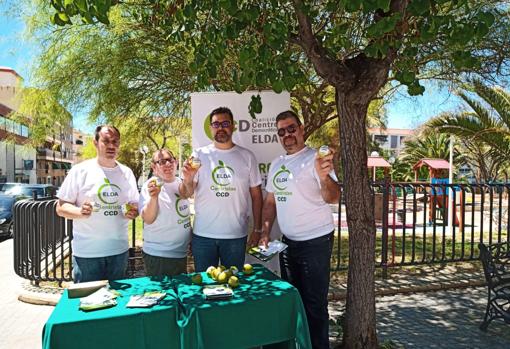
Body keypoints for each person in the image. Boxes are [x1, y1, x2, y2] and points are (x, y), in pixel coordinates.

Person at [257, 110, 340, 349]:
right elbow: (270, 203)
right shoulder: (277, 164)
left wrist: (325, 178)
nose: (287, 135)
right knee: (295, 302)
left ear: (301, 129)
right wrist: (264, 231)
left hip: (315, 242)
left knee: (315, 306)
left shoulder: (315, 159)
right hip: (287, 244)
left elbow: (333, 197)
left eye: (291, 128)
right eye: (281, 131)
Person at [181, 106, 263, 271]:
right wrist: (188, 179)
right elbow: (186, 193)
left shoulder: (247, 156)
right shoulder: (198, 155)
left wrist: (257, 229)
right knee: (204, 287)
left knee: (234, 288)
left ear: (233, 126)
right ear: (211, 128)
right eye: (216, 124)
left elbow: (256, 196)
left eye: (225, 123)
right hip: (203, 236)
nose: (220, 128)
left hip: (236, 236)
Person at [56, 125, 139, 283]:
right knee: (88, 304)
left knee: (118, 305)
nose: (111, 146)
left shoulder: (127, 172)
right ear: (95, 142)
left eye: (115, 142)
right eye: (106, 141)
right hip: (87, 255)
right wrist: (80, 212)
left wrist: (133, 211)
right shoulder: (80, 171)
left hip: (119, 252)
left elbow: (134, 203)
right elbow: (60, 207)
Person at [139, 148, 191, 276]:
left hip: (181, 253)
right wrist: (154, 197)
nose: (167, 164)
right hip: (160, 255)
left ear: (176, 162)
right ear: (154, 167)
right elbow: (148, 218)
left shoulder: (180, 183)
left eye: (170, 160)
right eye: (161, 162)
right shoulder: (150, 186)